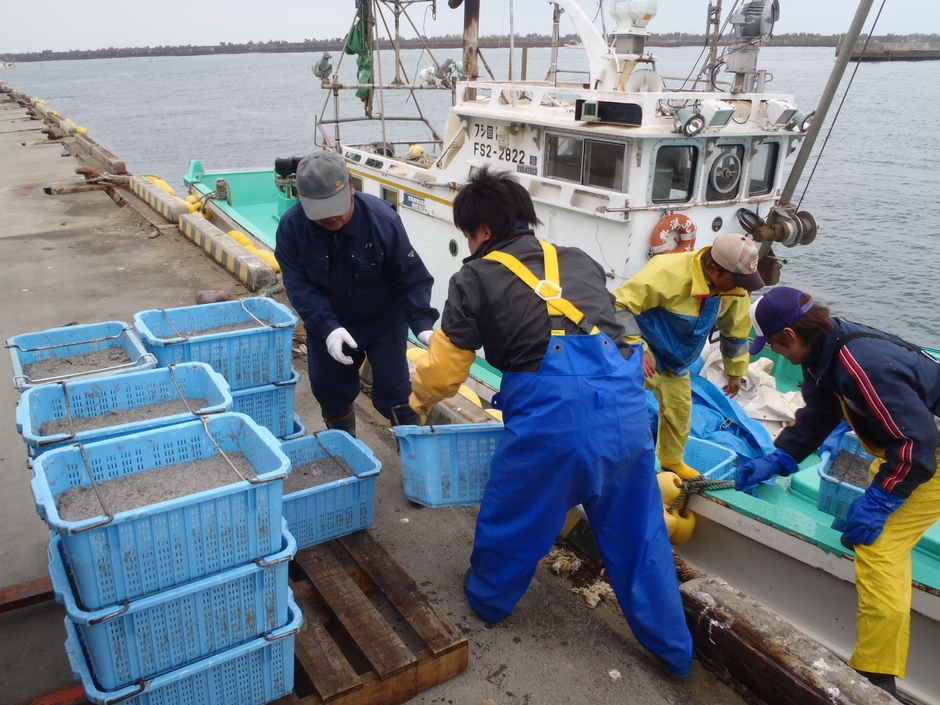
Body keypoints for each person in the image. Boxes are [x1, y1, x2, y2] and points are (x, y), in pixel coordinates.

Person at [407, 168, 693, 677]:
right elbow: (615, 323)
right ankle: (675, 653)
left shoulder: (473, 277)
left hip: (553, 418)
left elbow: (446, 372)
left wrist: (419, 398)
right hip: (625, 414)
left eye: (468, 234)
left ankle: (488, 604)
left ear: (483, 232)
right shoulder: (579, 260)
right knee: (640, 537)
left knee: (514, 517)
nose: (468, 243)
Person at [735, 286, 940, 695]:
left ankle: (877, 676)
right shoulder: (823, 355)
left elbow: (917, 447)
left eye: (773, 345)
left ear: (790, 336)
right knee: (864, 528)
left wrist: (883, 500)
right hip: (901, 451)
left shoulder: (863, 364)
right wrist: (781, 458)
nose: (775, 353)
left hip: (927, 455)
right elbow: (821, 414)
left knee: (879, 549)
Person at [275, 151, 438, 436]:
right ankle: (344, 447)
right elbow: (299, 286)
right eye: (320, 212)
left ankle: (413, 451)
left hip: (383, 322)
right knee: (329, 390)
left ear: (351, 187)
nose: (331, 218)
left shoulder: (382, 221)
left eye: (336, 208)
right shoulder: (292, 229)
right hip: (330, 320)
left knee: (396, 392)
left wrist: (423, 325)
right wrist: (328, 328)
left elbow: (411, 278)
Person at [612, 233, 763, 480]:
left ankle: (671, 462)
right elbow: (619, 305)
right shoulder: (666, 270)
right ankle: (610, 458)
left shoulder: (734, 291)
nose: (742, 288)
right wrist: (636, 348)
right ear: (713, 268)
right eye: (737, 280)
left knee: (680, 412)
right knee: (620, 406)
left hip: (677, 362)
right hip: (642, 352)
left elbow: (735, 334)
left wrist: (736, 373)